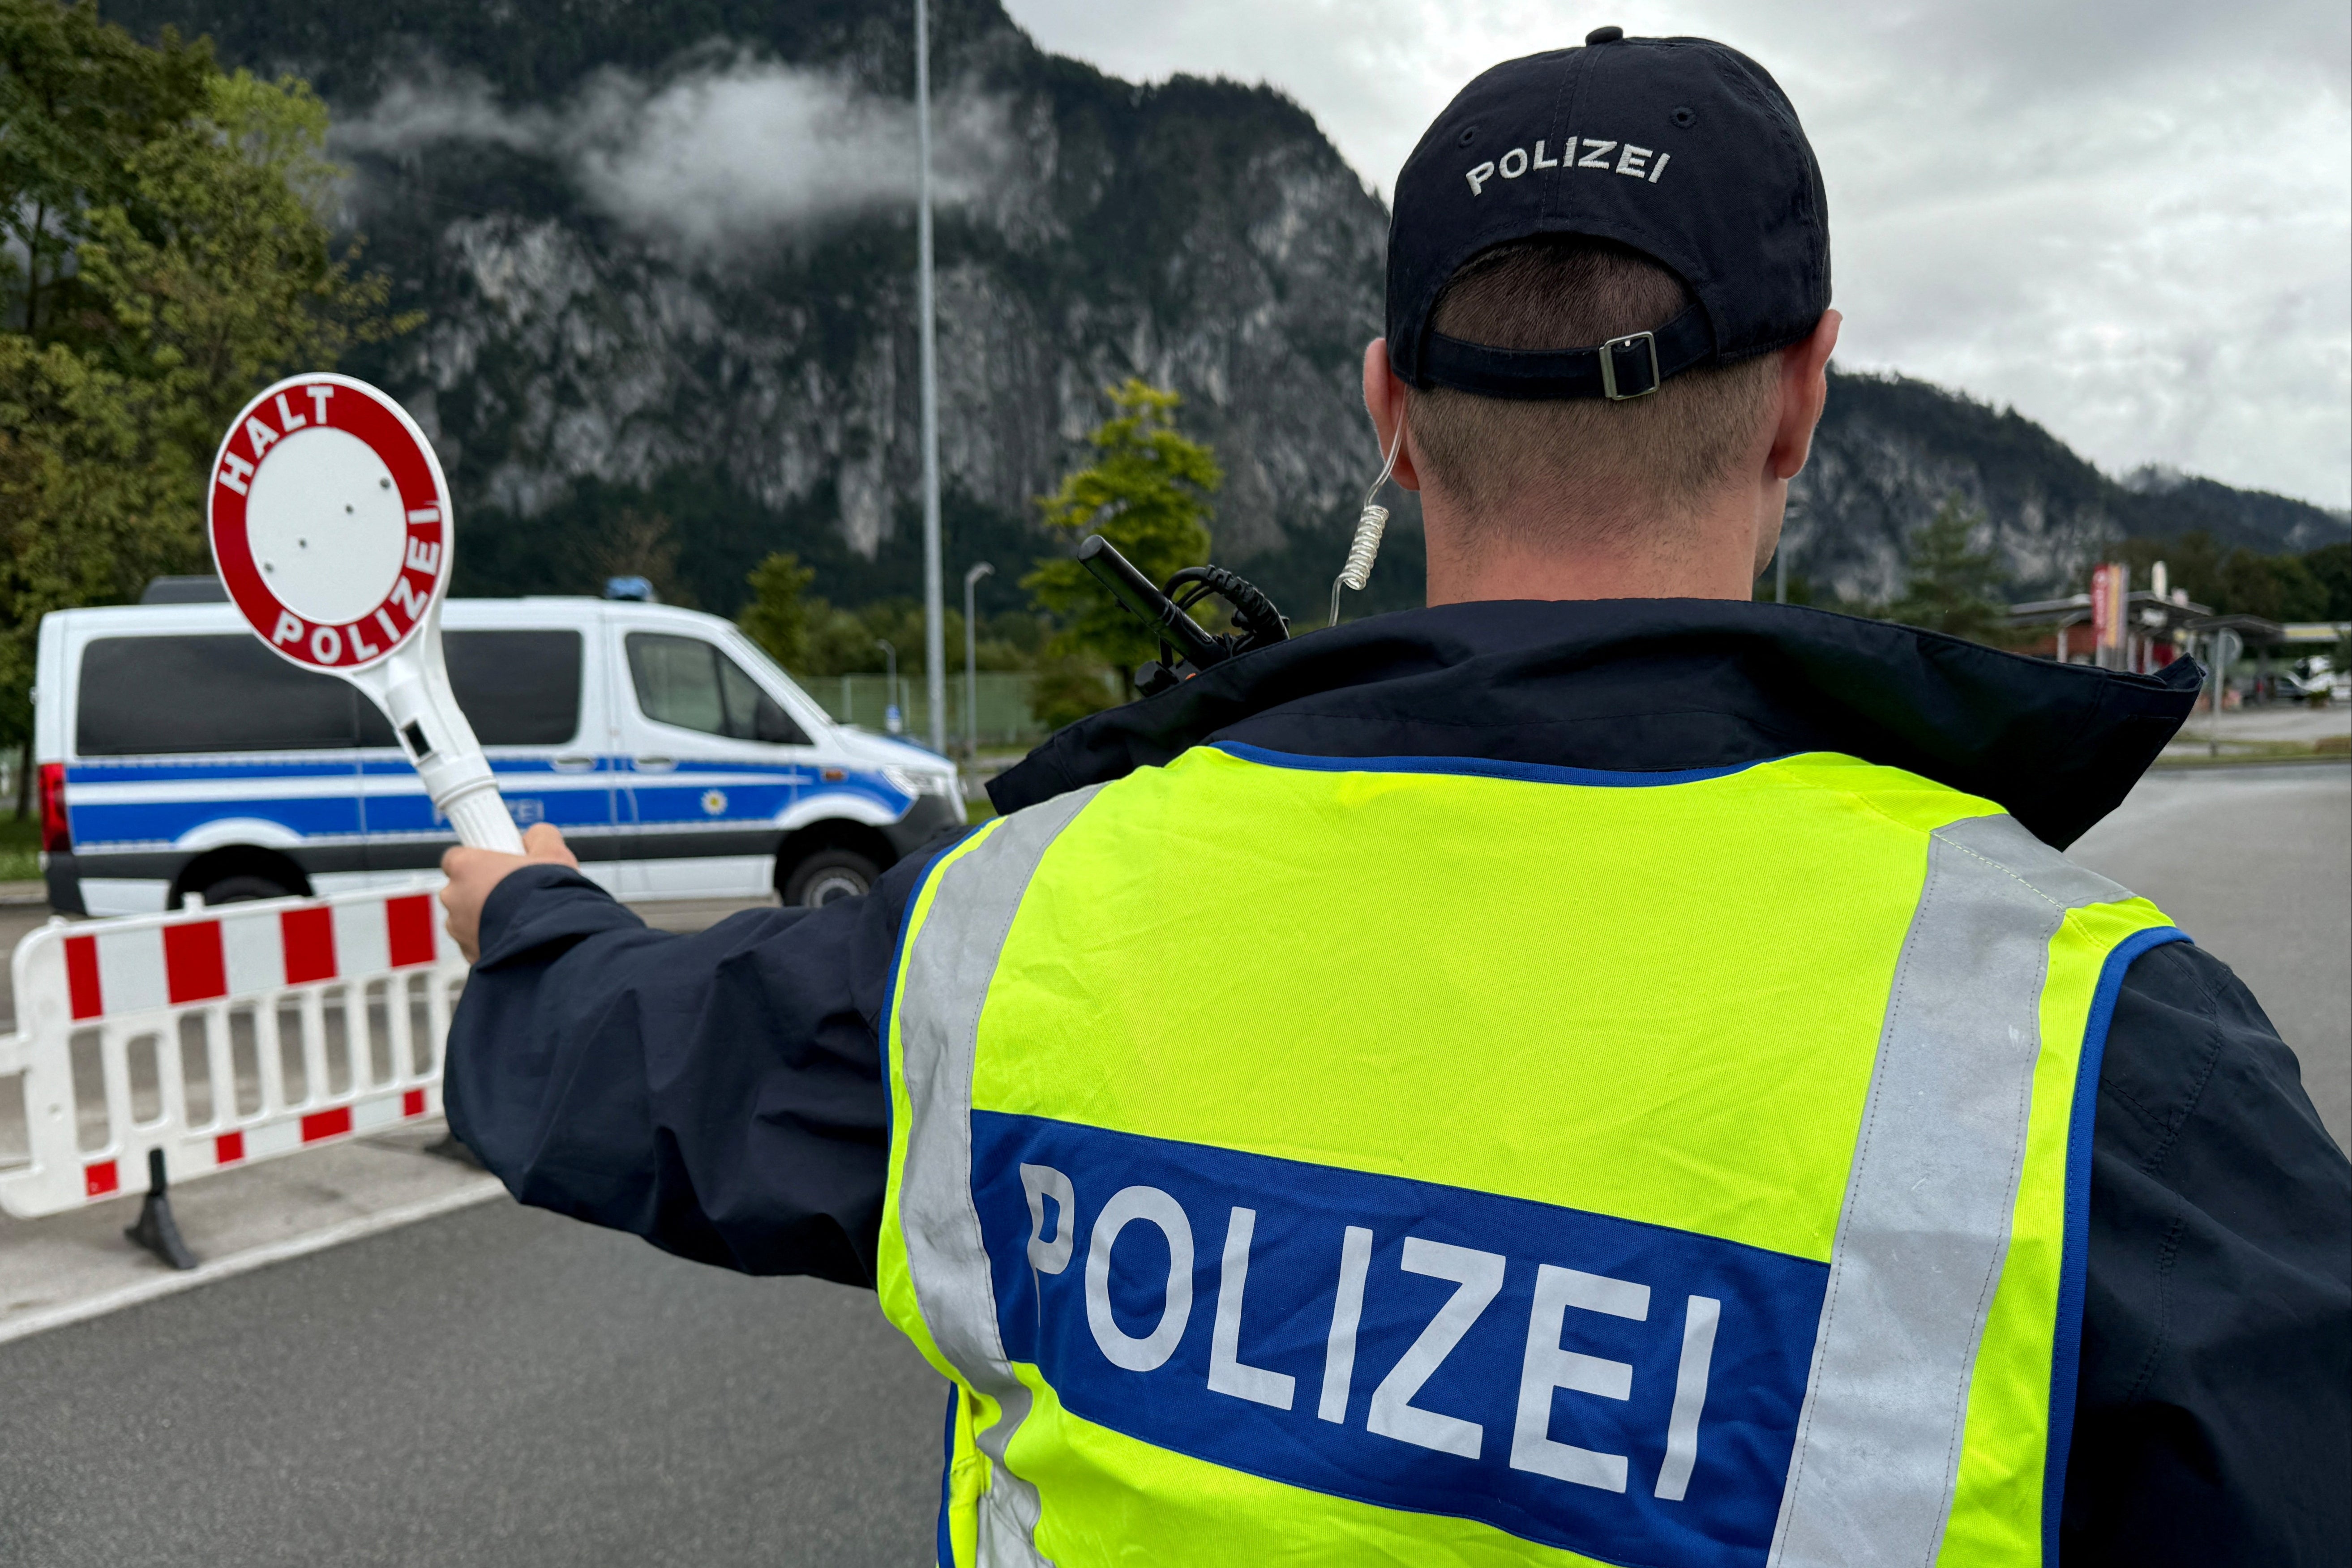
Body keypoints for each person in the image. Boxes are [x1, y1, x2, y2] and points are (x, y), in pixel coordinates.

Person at [437, 31, 2350, 1568]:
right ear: (1802, 400)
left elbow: (632, 1072)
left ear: (1388, 413)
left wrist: (524, 915)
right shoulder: (2090, 1041)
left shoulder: (1025, 912)